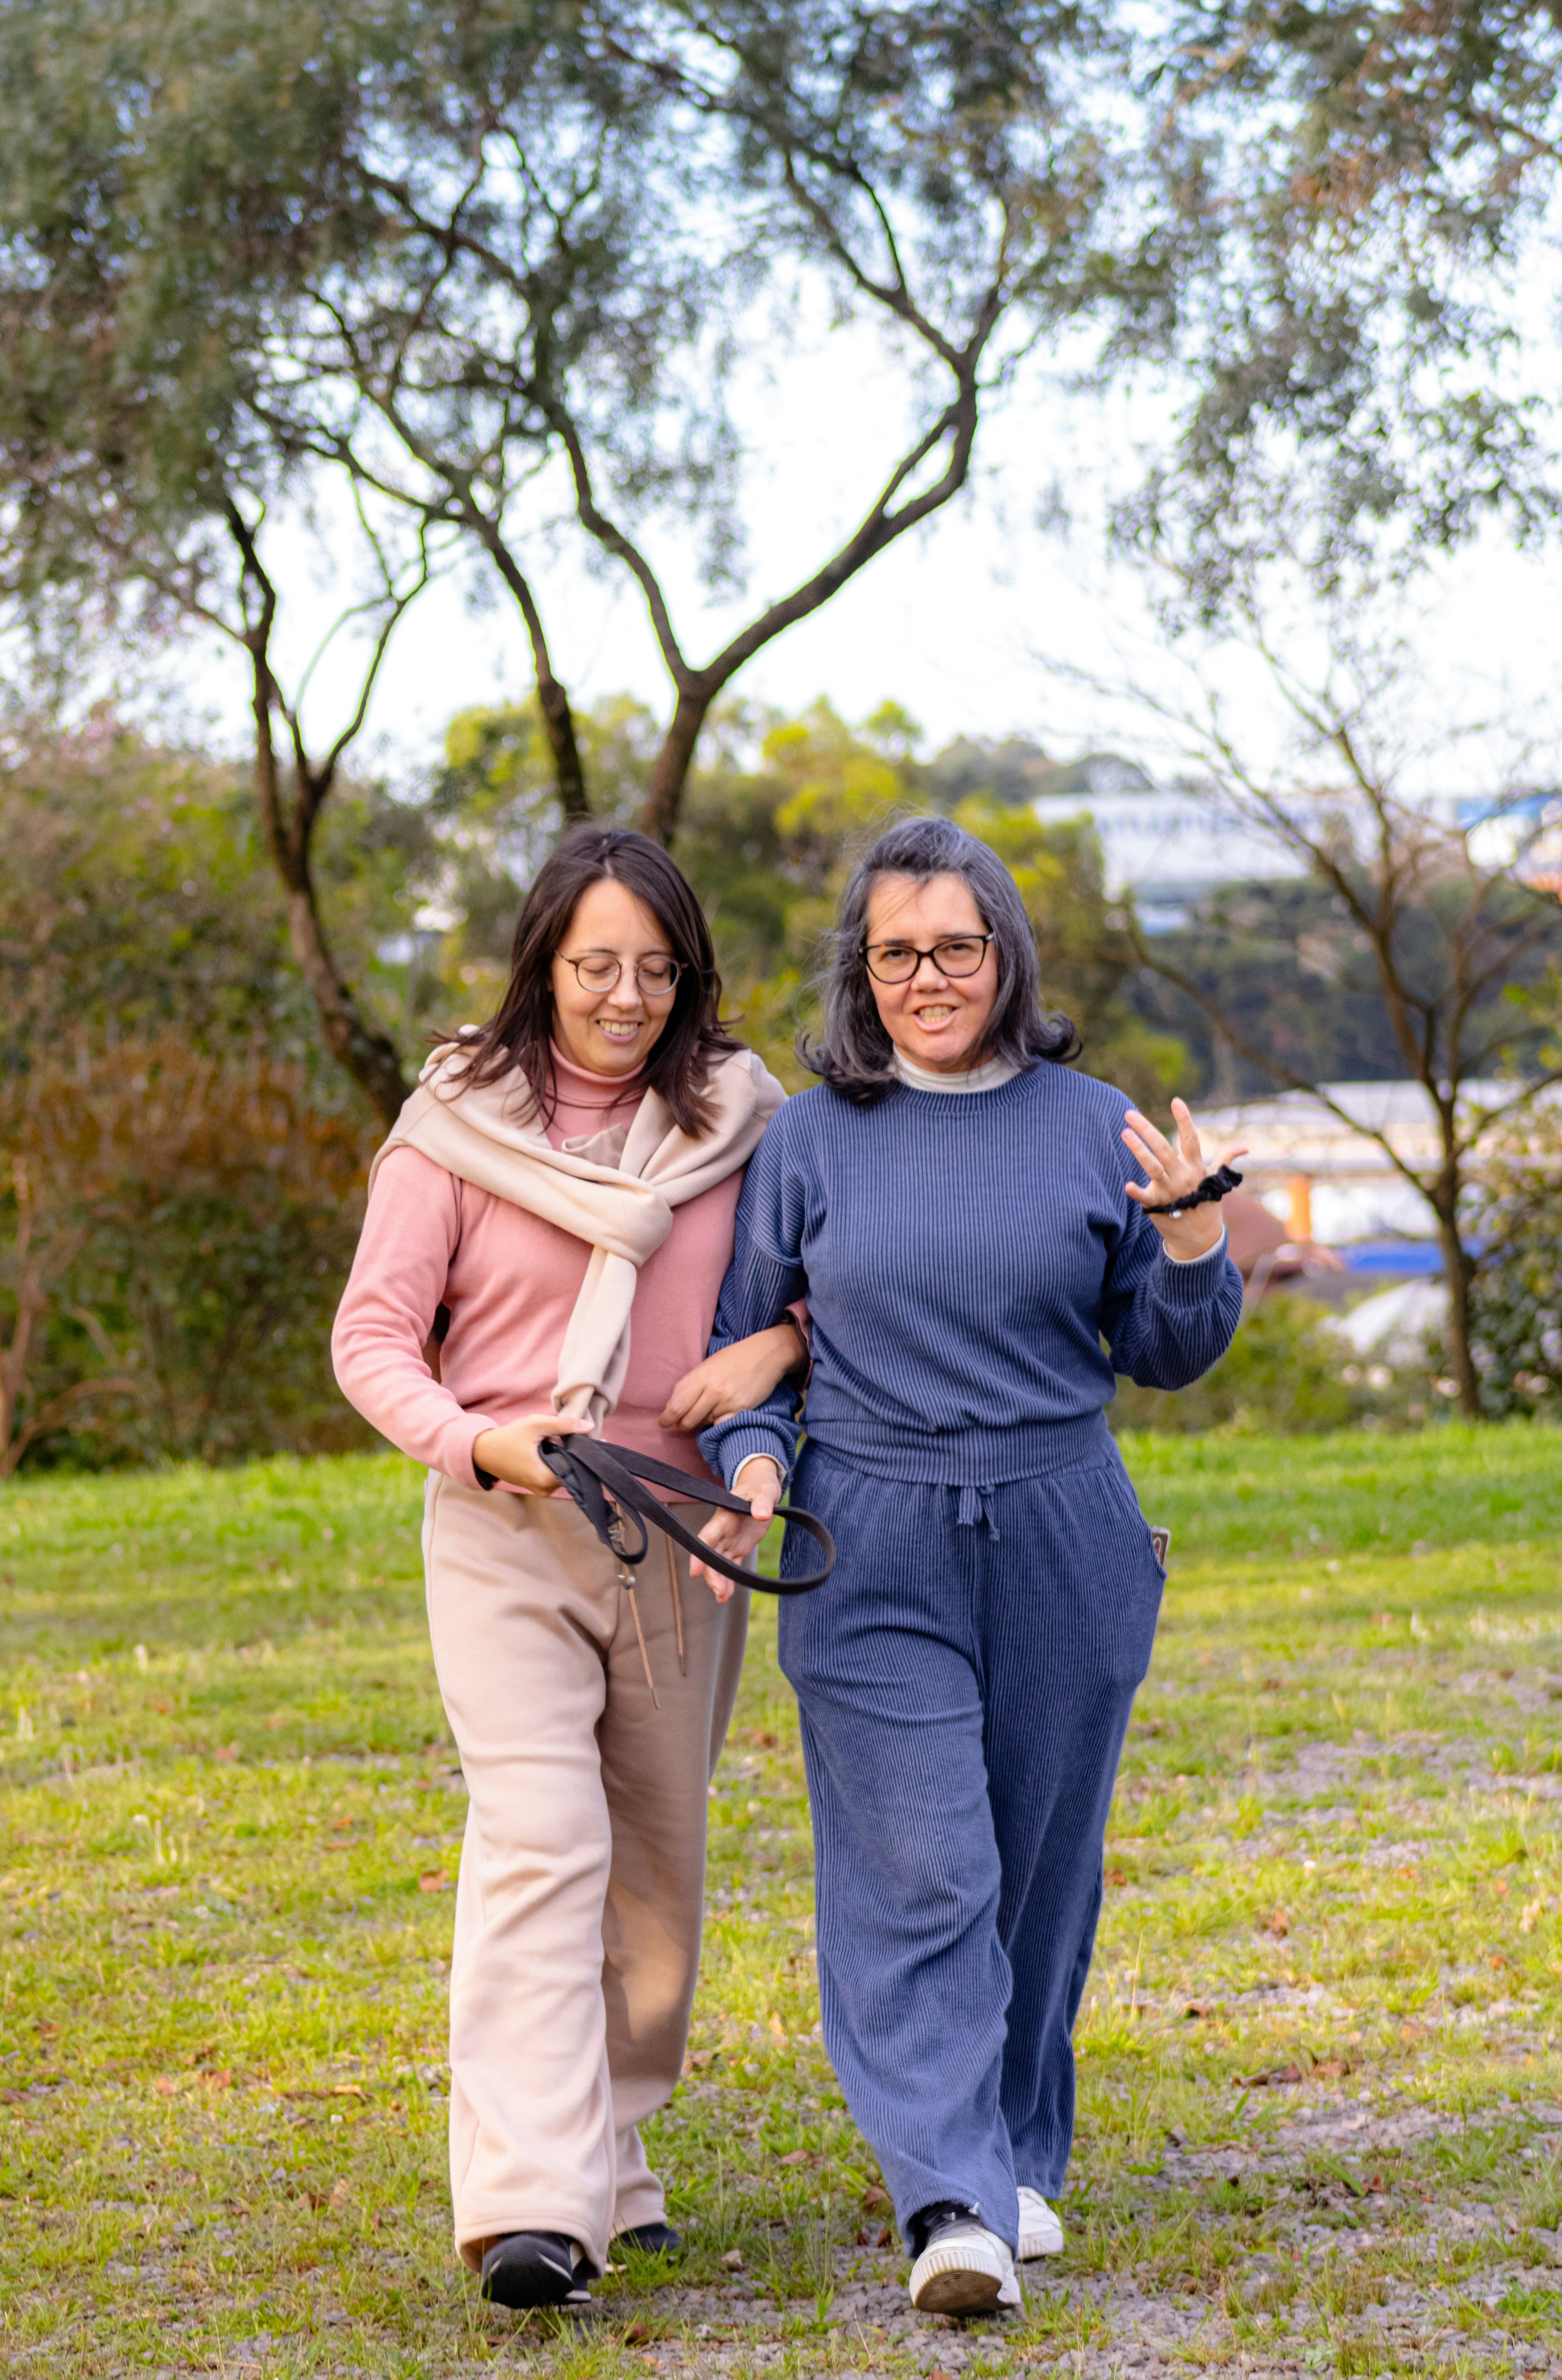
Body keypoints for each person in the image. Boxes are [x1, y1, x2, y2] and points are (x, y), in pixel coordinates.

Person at [695, 815, 1244, 2317]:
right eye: (895, 954)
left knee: (1037, 1875)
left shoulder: (1092, 1123)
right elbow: (747, 1351)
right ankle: (952, 2203)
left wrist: (1194, 1247)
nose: (926, 977)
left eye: (954, 946)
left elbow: (1167, 1352)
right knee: (923, 1867)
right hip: (873, 1542)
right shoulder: (810, 1139)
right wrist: (752, 1465)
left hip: (1067, 1530)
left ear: (1004, 954)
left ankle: (1009, 2150)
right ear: (859, 974)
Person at [332, 825, 804, 2311]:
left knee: (657, 1873)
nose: (626, 997)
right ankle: (533, 2204)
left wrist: (777, 1355)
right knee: (542, 1837)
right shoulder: (453, 1126)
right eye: (598, 964)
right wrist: (479, 1445)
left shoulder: (744, 1112)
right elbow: (371, 1343)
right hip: (507, 1525)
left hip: (683, 1533)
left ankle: (611, 2146)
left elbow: (813, 1287)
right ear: (544, 959)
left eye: (657, 970)